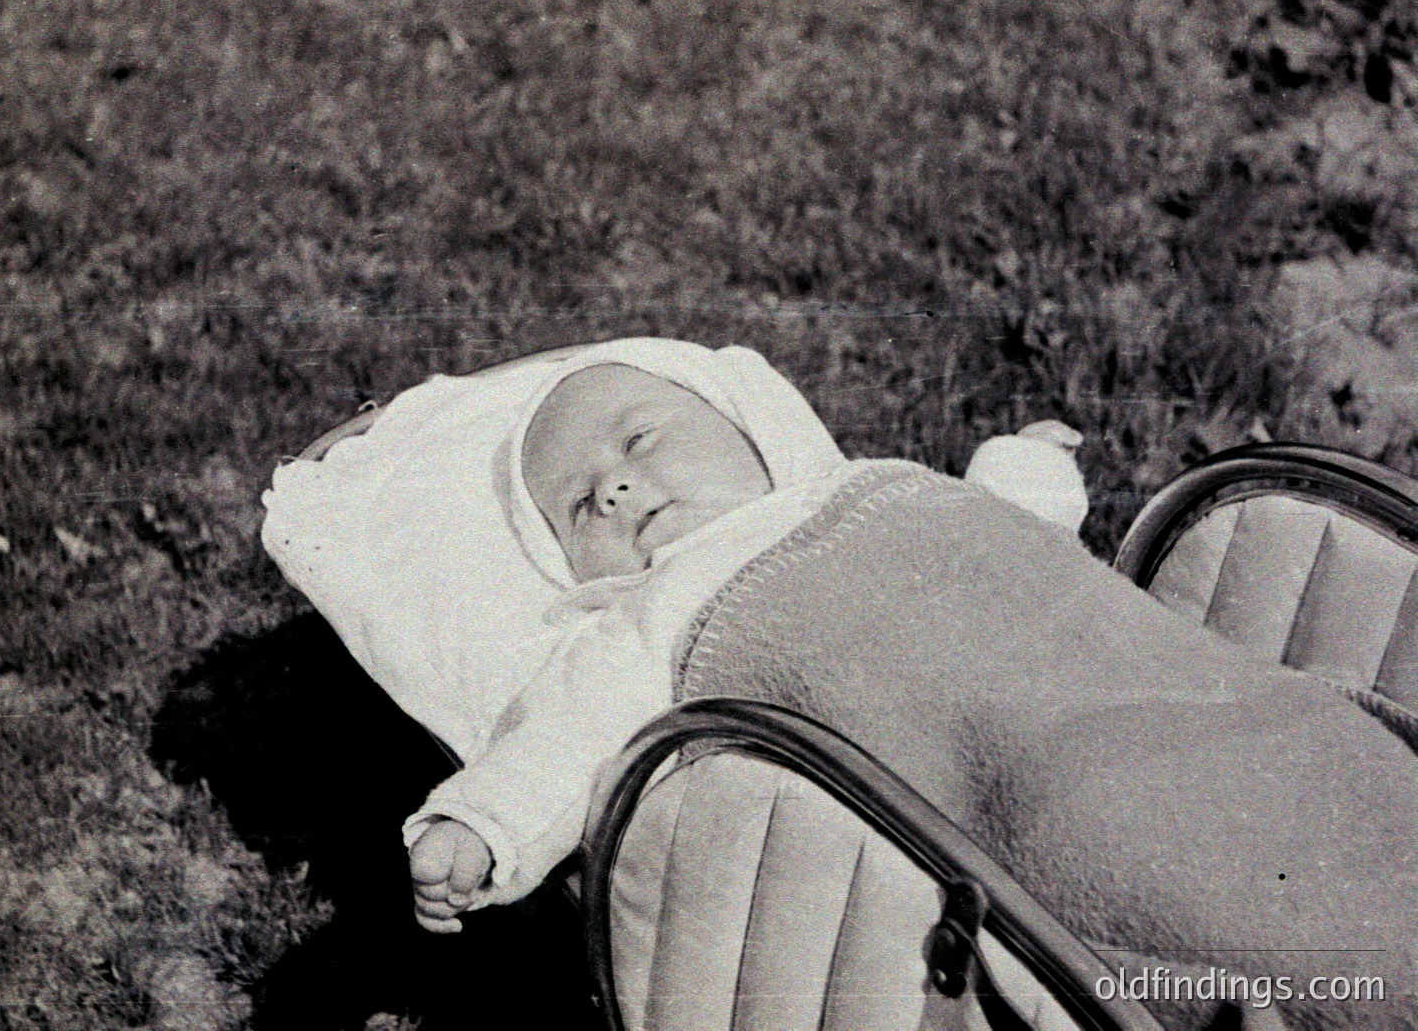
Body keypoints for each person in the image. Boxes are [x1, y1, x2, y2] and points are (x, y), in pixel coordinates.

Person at [401, 357, 1086, 931]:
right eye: (579, 508)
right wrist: (481, 827)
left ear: (750, 425)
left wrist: (1025, 468)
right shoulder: (656, 610)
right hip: (909, 817)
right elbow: (565, 739)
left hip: (1034, 707)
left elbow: (991, 542)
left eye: (641, 440)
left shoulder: (868, 490)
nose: (611, 488)